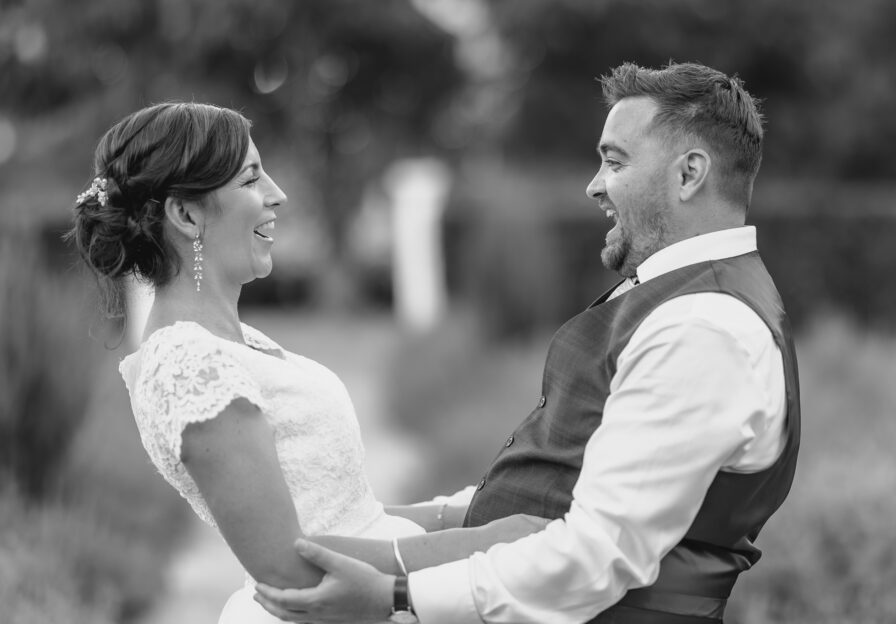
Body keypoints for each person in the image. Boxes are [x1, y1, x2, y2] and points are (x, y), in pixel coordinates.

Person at [253, 60, 801, 624]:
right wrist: (411, 519)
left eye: (614, 161)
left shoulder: (703, 330)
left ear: (689, 174)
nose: (594, 185)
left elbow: (596, 555)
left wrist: (397, 596)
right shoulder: (673, 301)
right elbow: (552, 490)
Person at [68, 102, 545, 624]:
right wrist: (479, 546)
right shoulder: (186, 363)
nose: (278, 194)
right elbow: (285, 563)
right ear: (185, 214)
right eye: (252, 179)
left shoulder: (228, 341)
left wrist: (456, 514)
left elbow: (340, 515)